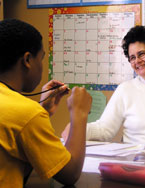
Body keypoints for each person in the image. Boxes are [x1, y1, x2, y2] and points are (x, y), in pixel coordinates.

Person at [0, 19, 92, 187]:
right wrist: (79, 113)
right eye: (41, 58)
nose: (42, 67)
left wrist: (43, 111)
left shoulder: (20, 112)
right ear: (27, 60)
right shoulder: (25, 113)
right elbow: (70, 174)